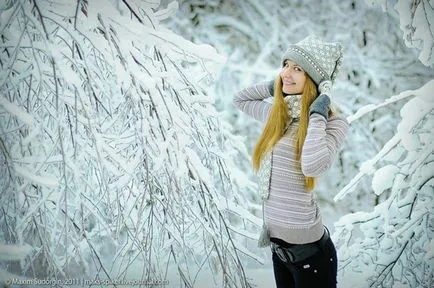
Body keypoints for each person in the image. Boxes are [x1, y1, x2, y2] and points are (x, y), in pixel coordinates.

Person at [233, 35, 349, 288]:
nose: (286, 72)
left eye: (297, 68)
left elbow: (313, 165)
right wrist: (275, 86)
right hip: (279, 251)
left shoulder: (333, 122)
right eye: (285, 64)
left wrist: (317, 114)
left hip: (311, 254)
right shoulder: (278, 115)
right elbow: (240, 99)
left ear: (315, 81)